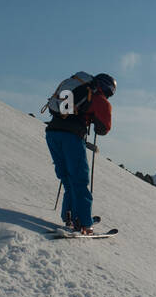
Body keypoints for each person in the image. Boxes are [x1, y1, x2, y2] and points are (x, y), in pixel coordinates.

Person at [45, 72, 115, 234]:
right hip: (72, 137)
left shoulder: (77, 88)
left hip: (52, 132)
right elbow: (104, 128)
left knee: (66, 177)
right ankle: (83, 223)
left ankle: (68, 215)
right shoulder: (100, 99)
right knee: (79, 180)